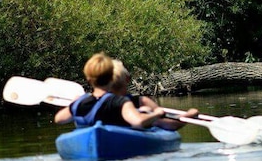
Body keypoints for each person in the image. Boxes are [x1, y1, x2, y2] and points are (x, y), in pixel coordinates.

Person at [53, 53, 198, 130]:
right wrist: (156, 114)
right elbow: (138, 122)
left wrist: (74, 103)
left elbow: (59, 119)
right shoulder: (122, 103)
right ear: (111, 78)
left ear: (89, 79)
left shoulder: (79, 103)